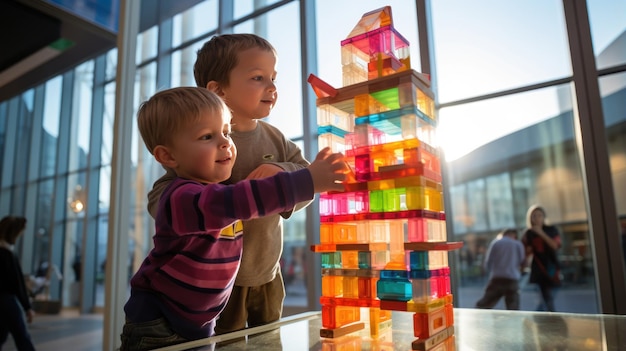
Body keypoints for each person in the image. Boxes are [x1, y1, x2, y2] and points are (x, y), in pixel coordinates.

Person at [120, 87, 346, 351]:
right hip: (158, 322)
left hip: (198, 322)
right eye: (207, 136)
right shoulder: (181, 198)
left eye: (226, 132)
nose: (226, 142)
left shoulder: (210, 191)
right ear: (168, 156)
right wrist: (305, 180)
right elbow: (237, 201)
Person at [147, 33, 313, 335]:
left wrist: (281, 170)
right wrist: (208, 203)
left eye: (273, 77)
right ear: (219, 90)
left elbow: (306, 178)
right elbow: (160, 198)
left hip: (267, 274)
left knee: (269, 341)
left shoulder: (276, 139)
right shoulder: (198, 141)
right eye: (258, 77)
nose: (272, 88)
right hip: (218, 282)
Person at [0, 216, 36, 351]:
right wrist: (28, 307)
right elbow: (17, 284)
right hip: (6, 300)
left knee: (1, 335)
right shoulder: (8, 255)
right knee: (21, 336)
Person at [521, 205, 562, 312]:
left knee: (548, 300)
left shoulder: (551, 230)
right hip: (538, 270)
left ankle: (541, 319)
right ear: (530, 218)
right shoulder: (528, 233)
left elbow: (555, 245)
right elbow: (525, 253)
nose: (537, 218)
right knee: (546, 300)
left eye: (540, 215)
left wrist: (540, 233)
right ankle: (548, 321)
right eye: (534, 216)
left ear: (544, 217)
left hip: (552, 268)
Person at [475, 228, 526, 310]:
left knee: (484, 305)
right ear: (514, 234)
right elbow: (522, 261)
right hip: (512, 278)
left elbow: (488, 261)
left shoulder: (496, 243)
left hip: (497, 278)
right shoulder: (518, 244)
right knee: (513, 307)